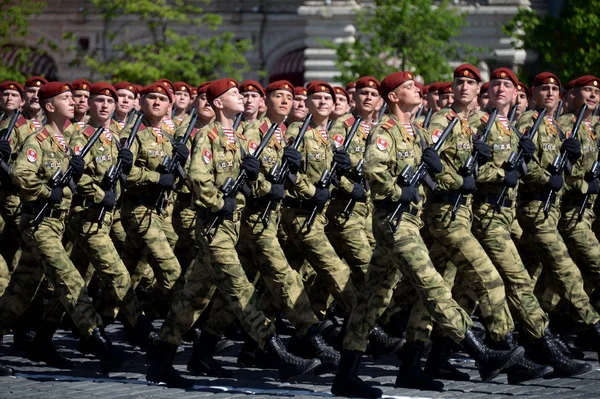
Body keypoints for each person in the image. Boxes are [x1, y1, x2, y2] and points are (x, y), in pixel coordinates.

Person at [331, 71, 525, 398]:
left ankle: (346, 374)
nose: (416, 90)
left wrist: (466, 162)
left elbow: (445, 164)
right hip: (394, 220)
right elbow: (373, 169)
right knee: (432, 284)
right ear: (393, 96)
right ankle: (481, 353)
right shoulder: (386, 130)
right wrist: (397, 191)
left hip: (410, 218)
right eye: (408, 87)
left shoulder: (417, 131)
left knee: (373, 295)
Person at [146, 78, 320, 388]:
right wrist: (218, 202)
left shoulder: (239, 138)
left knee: (192, 298)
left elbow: (248, 182)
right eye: (233, 94)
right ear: (218, 103)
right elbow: (198, 179)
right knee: (241, 290)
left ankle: (162, 360)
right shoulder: (207, 136)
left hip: (233, 226)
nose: (240, 97)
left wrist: (258, 182)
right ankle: (279, 354)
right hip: (214, 227)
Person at [470, 68, 589, 380]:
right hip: (486, 214)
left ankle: (434, 354)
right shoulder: (478, 125)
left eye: (506, 85)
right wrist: (501, 173)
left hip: (507, 215)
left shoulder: (511, 128)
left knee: (467, 289)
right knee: (518, 281)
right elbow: (467, 173)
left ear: (514, 93)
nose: (500, 89)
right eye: (494, 84)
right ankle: (542, 344)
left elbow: (535, 169)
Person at [0, 82, 124, 374]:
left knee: (21, 291)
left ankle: (41, 345)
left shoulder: (67, 141)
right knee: (70, 280)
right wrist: (45, 192)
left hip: (60, 224)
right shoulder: (38, 138)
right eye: (65, 98)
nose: (73, 102)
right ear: (50, 106)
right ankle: (98, 341)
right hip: (40, 223)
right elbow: (21, 174)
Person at [515, 72, 600, 359]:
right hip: (535, 207)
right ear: (534, 93)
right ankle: (591, 325)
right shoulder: (531, 121)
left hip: (554, 209)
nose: (550, 93)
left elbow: (563, 169)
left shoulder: (555, 126)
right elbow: (523, 163)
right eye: (543, 89)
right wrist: (555, 179)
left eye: (554, 89)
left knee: (542, 279)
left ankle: (530, 337)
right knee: (565, 270)